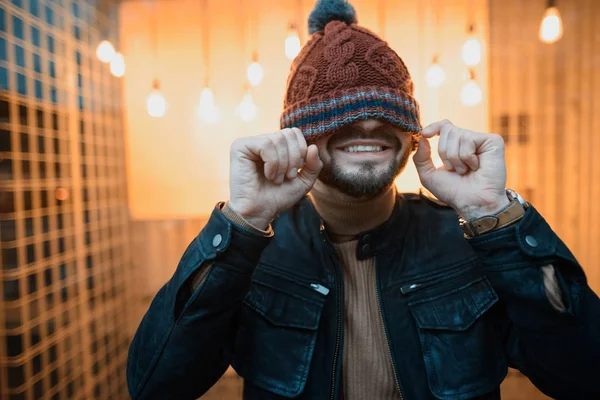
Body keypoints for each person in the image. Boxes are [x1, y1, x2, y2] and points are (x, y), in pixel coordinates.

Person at [126, 1, 600, 399]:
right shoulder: (254, 249)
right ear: (297, 136)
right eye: (341, 115)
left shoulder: (467, 238)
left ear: (412, 136)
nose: (369, 125)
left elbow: (584, 373)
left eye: (387, 112)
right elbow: (155, 386)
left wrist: (496, 218)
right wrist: (243, 222)